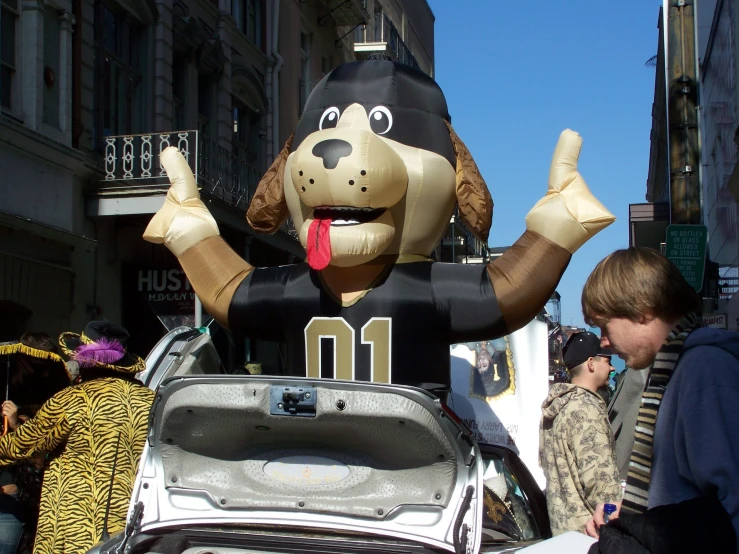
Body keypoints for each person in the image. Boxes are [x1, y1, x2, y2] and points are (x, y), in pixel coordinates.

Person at [581, 247, 739, 551]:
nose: (603, 341)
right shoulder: (678, 369)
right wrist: (630, 512)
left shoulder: (704, 372)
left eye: (605, 326)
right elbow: (686, 497)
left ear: (642, 309)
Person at [0, 320, 155, 554]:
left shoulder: (73, 399)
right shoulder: (151, 401)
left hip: (75, 523)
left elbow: (23, 445)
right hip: (131, 522)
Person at [539, 331, 622, 535]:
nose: (612, 368)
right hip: (590, 535)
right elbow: (601, 480)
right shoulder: (586, 409)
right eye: (608, 361)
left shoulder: (557, 408)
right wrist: (614, 521)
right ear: (591, 363)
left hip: (562, 533)